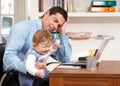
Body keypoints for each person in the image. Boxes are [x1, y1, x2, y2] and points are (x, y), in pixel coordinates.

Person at [3, 6, 72, 86]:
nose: (56, 27)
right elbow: (8, 58)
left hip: (38, 75)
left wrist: (62, 31)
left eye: (59, 25)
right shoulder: (22, 28)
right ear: (46, 14)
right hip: (17, 75)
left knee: (62, 82)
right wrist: (31, 67)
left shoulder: (49, 36)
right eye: (55, 21)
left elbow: (65, 58)